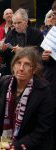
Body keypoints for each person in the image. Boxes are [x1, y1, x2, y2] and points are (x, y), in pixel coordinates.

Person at [0, 47, 54, 150]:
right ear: (13, 66)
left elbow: (43, 128)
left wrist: (17, 146)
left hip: (30, 145)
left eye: (27, 64)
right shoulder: (4, 83)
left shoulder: (44, 90)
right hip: (3, 143)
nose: (21, 68)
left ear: (34, 69)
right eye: (18, 63)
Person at [0, 8, 44, 75]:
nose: (16, 26)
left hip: (30, 72)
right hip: (13, 72)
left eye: (19, 22)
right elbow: (5, 56)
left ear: (26, 21)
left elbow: (40, 53)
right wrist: (2, 50)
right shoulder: (10, 33)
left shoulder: (37, 33)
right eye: (14, 23)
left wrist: (23, 51)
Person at [41, 1, 56, 148]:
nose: (53, 18)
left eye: (55, 15)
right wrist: (43, 57)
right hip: (51, 81)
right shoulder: (52, 33)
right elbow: (43, 54)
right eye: (52, 15)